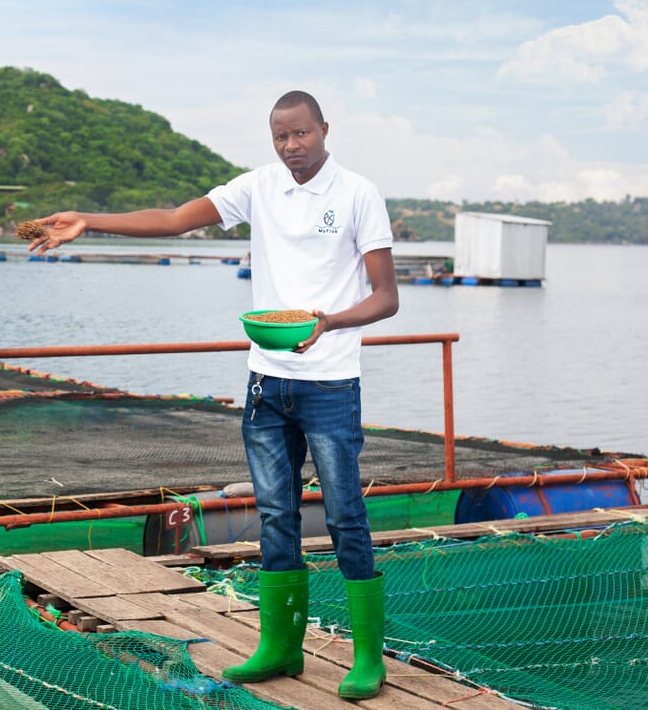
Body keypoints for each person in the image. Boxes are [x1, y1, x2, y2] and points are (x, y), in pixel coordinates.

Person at [28, 90, 399, 700]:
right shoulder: (258, 187)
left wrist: (328, 322)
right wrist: (91, 221)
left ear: (324, 130)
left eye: (301, 134)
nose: (291, 146)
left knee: (343, 515)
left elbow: (386, 296)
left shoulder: (358, 194)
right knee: (275, 513)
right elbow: (175, 218)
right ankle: (281, 648)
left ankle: (367, 659)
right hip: (267, 381)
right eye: (280, 137)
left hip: (330, 381)